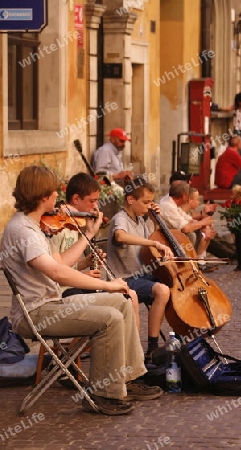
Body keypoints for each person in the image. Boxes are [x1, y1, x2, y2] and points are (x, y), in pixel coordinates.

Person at [0, 166, 162, 416]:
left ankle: (126, 380)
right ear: (43, 196)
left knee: (121, 301)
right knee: (110, 318)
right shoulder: (23, 231)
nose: (57, 198)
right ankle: (103, 393)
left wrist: (87, 234)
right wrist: (108, 283)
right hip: (36, 313)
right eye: (54, 193)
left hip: (51, 305)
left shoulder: (32, 225)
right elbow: (57, 273)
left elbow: (61, 262)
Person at [48, 172, 140, 329]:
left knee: (131, 296)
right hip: (61, 293)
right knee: (128, 298)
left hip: (72, 287)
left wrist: (86, 262)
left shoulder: (76, 223)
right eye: (92, 201)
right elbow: (54, 271)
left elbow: (68, 263)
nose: (96, 207)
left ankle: (130, 350)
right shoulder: (57, 226)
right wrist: (83, 275)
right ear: (76, 199)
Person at [106, 176, 173, 360]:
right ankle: (152, 346)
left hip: (141, 277)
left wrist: (155, 219)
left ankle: (180, 339)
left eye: (151, 202)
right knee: (162, 290)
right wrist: (152, 242)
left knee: (173, 286)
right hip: (124, 279)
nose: (149, 206)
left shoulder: (142, 220)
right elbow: (120, 236)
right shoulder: (120, 218)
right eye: (146, 202)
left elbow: (152, 245)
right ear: (130, 200)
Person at [159, 182, 217, 272]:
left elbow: (188, 219)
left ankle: (198, 261)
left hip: (174, 232)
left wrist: (204, 223)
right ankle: (191, 264)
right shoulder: (168, 206)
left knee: (202, 229)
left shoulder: (173, 203)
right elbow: (185, 228)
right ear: (184, 196)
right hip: (166, 235)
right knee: (191, 234)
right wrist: (202, 222)